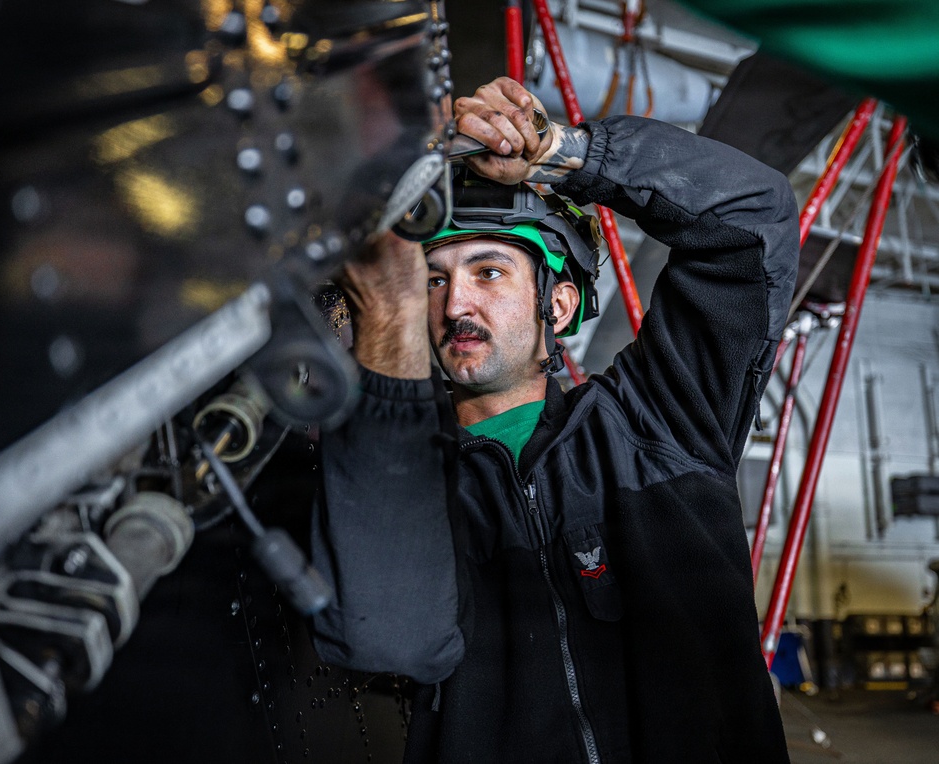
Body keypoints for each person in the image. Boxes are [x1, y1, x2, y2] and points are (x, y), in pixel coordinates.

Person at [311, 76, 799, 763]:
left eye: (488, 272)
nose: (456, 307)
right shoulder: (405, 484)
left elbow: (755, 211)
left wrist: (560, 152)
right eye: (433, 281)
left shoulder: (659, 420)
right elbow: (388, 637)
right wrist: (379, 322)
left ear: (559, 305)